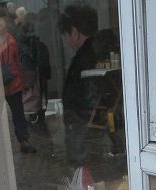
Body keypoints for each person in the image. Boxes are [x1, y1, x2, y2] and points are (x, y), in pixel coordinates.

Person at [57, 4, 99, 169]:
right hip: (84, 121)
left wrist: (77, 115)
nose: (67, 41)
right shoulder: (95, 51)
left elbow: (89, 95)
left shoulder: (85, 57)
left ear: (75, 32)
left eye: (66, 35)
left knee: (81, 166)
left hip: (81, 122)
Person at [0, 7, 35, 154]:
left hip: (13, 83)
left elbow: (17, 63)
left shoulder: (12, 40)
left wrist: (22, 81)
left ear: (6, 20)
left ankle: (23, 140)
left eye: (0, 18)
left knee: (18, 115)